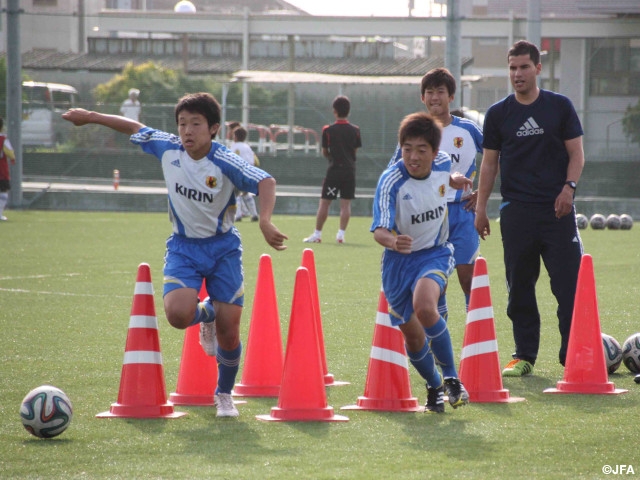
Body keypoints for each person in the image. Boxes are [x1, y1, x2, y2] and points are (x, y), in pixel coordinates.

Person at [62, 92, 289, 416]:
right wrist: (91, 116)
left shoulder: (225, 161)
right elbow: (134, 126)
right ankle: (205, 315)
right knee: (178, 315)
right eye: (182, 123)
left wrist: (264, 221)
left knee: (230, 330)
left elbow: (266, 181)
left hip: (223, 248)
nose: (187, 131)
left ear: (213, 128)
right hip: (184, 247)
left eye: (195, 124)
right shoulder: (168, 148)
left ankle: (224, 394)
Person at [474, 40, 585, 377]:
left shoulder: (560, 107)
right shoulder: (497, 114)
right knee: (519, 288)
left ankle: (574, 357)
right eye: (512, 68)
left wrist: (569, 188)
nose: (517, 74)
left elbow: (577, 154)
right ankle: (524, 355)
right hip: (516, 212)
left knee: (569, 287)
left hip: (557, 211)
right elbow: (490, 165)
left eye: (523, 67)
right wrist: (481, 208)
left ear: (538, 68)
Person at [371, 111, 472, 413]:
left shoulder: (442, 163)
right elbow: (378, 230)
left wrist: (456, 181)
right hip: (397, 264)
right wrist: (393, 240)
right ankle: (434, 386)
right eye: (407, 149)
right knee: (413, 338)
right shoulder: (390, 181)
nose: (413, 157)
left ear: (434, 151)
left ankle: (452, 378)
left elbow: (445, 177)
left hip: (435, 253)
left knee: (425, 307)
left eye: (421, 149)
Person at [388, 68, 483, 319]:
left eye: (440, 92)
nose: (434, 97)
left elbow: (497, 156)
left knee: (467, 276)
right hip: (428, 215)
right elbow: (394, 171)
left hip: (463, 212)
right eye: (429, 92)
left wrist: (483, 193)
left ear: (451, 96)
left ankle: (475, 342)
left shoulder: (469, 130)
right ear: (422, 98)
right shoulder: (414, 132)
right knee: (433, 281)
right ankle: (437, 341)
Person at [303, 95, 361, 244]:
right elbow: (354, 151)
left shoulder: (328, 130)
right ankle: (341, 235)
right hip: (350, 171)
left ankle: (317, 234)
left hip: (334, 170)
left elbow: (325, 151)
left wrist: (332, 157)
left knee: (324, 202)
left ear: (334, 111)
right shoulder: (355, 130)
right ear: (349, 111)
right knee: (345, 204)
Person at [229, 126, 259, 222]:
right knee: (246, 193)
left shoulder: (234, 146)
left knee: (235, 194)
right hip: (249, 172)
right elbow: (254, 160)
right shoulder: (248, 147)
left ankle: (237, 216)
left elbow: (231, 159)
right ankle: (254, 214)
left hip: (238, 172)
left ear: (236, 136)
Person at [0, 117, 16, 222]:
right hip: (1, 171)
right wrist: (12, 158)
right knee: (3, 191)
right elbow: (10, 152)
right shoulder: (3, 139)